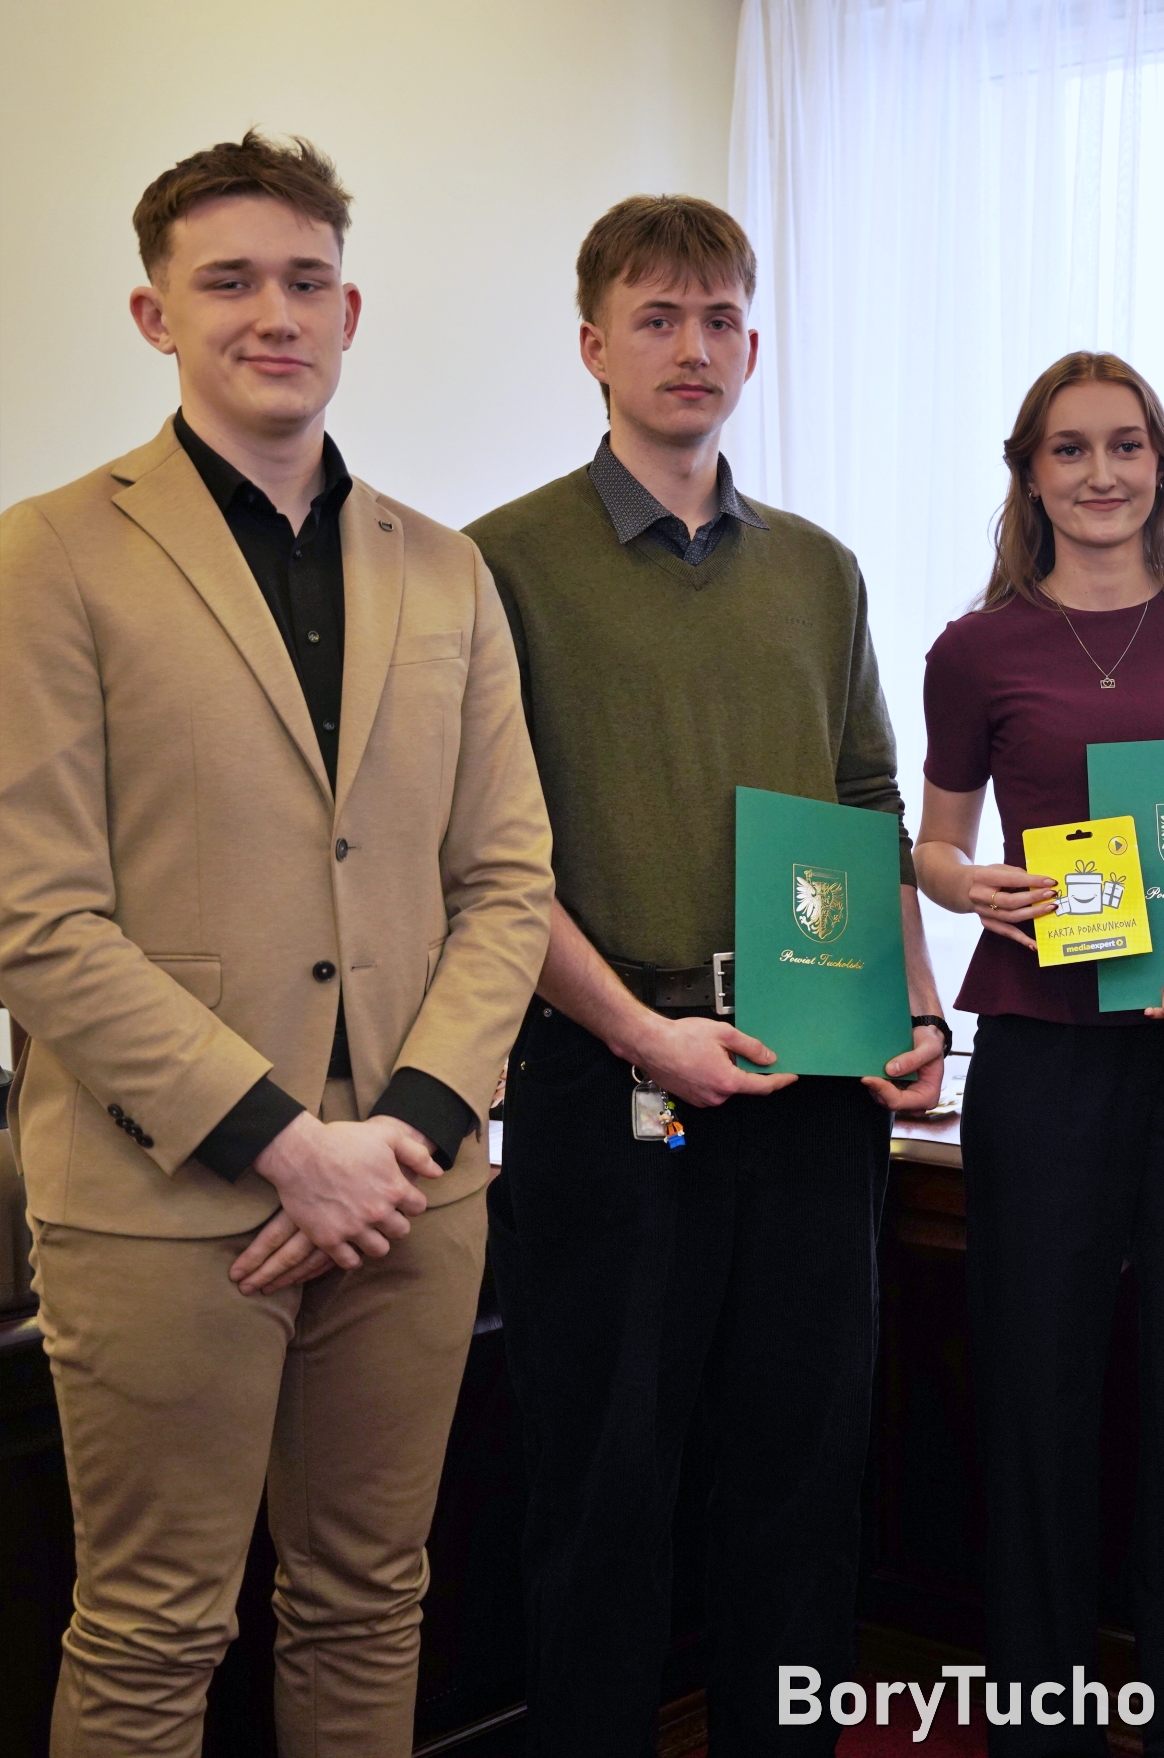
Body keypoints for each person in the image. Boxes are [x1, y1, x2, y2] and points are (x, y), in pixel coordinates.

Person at [0, 134, 553, 1755]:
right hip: (166, 1193)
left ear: (351, 306)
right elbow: (35, 914)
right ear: (152, 311)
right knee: (156, 1627)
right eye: (227, 280)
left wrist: (407, 1135)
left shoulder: (445, 569)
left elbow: (506, 880)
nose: (272, 312)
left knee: (373, 1599)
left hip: (415, 1183)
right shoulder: (49, 556)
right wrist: (281, 1145)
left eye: (304, 280)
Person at [467, 196, 948, 1757]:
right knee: (606, 1481)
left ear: (755, 343)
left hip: (809, 1084)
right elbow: (488, 860)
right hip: (612, 1089)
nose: (694, 347)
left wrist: (917, 1010)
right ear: (594, 345)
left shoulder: (819, 569)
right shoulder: (498, 566)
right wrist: (646, 1040)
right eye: (659, 318)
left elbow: (872, 808)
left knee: (804, 1478)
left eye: (721, 317)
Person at [914, 351, 1164, 1757]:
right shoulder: (976, 648)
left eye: (1125, 446)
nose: (1100, 474)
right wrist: (965, 888)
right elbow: (937, 838)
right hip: (1041, 1046)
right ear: (1030, 475)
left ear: (1163, 464)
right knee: (1036, 1381)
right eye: (1069, 451)